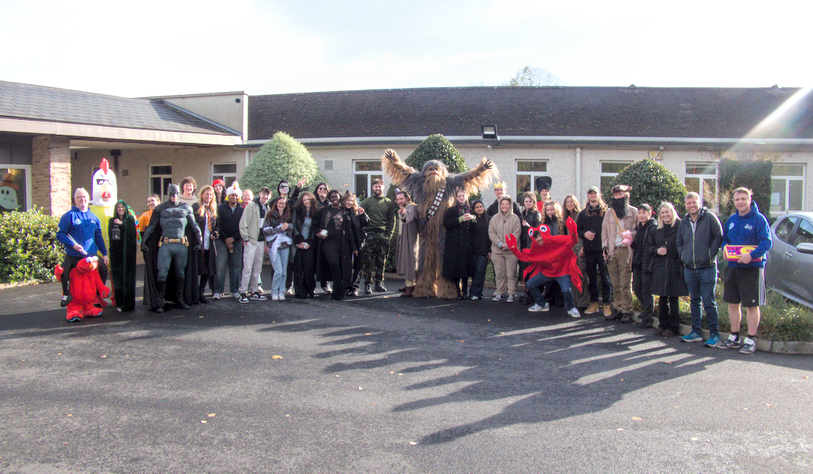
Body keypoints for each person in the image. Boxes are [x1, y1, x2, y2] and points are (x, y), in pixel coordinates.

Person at [717, 187, 772, 354]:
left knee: (751, 305)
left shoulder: (759, 219)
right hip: (733, 267)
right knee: (733, 303)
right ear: (734, 202)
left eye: (743, 199)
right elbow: (725, 239)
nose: (740, 202)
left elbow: (767, 242)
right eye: (737, 200)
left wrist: (752, 255)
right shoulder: (732, 219)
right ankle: (734, 337)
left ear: (749, 200)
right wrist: (725, 249)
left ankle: (750, 339)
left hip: (752, 268)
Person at [141, 184, 201, 312]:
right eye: (171, 194)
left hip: (181, 244)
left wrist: (199, 238)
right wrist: (144, 241)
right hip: (166, 245)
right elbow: (151, 226)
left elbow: (194, 225)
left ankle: (180, 299)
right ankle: (160, 301)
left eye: (176, 194)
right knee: (162, 272)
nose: (174, 196)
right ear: (168, 194)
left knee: (181, 272)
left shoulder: (186, 207)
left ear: (179, 193)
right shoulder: (160, 209)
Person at [677, 192, 724, 346]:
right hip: (690, 268)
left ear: (699, 202)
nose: (691, 205)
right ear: (685, 205)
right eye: (688, 203)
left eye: (694, 202)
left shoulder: (709, 218)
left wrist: (710, 255)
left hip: (707, 268)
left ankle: (714, 334)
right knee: (694, 301)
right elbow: (679, 242)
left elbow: (719, 236)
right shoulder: (684, 221)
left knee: (709, 301)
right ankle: (696, 331)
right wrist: (683, 256)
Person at [57, 188, 109, 307]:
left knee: (104, 270)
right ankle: (66, 295)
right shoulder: (69, 216)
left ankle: (97, 297)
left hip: (91, 256)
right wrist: (73, 245)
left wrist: (104, 253)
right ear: (75, 200)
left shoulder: (93, 217)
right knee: (63, 273)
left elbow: (98, 237)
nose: (82, 199)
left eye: (84, 197)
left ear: (88, 199)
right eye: (79, 197)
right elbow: (60, 234)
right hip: (74, 255)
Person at [644, 202, 688, 336]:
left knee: (674, 298)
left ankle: (673, 326)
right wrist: (657, 251)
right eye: (662, 213)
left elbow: (685, 244)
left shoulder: (681, 226)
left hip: (675, 266)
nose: (665, 215)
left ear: (672, 212)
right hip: (661, 266)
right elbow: (649, 247)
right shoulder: (656, 229)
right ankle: (662, 324)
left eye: (667, 212)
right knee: (662, 297)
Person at [525, 230, 581, 318]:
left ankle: (571, 307)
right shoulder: (537, 248)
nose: (539, 239)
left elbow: (571, 240)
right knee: (530, 284)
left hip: (562, 272)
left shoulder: (554, 240)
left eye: (540, 236)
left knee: (566, 290)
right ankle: (541, 304)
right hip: (548, 273)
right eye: (536, 237)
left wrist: (573, 230)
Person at [602, 184, 638, 323]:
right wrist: (604, 247)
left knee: (625, 282)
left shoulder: (633, 212)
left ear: (626, 195)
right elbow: (604, 231)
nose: (618, 197)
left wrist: (630, 234)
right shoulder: (609, 212)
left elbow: (639, 230)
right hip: (612, 251)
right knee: (615, 283)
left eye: (620, 194)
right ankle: (617, 308)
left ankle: (627, 310)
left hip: (625, 251)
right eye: (616, 195)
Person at [576, 187, 611, 316]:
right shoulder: (583, 213)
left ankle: (607, 303)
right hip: (589, 250)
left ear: (599, 195)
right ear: (588, 196)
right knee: (592, 279)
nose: (592, 195)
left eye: (594, 193)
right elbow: (578, 230)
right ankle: (594, 303)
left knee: (605, 278)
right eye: (590, 193)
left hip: (603, 250)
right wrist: (585, 234)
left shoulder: (606, 212)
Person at [317, 190, 356, 300]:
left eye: (336, 196)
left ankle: (338, 291)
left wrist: (353, 247)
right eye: (332, 197)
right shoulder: (324, 211)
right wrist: (318, 233)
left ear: (340, 198)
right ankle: (339, 288)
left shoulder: (345, 211)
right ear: (329, 198)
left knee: (340, 266)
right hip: (327, 241)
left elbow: (351, 229)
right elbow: (316, 224)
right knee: (333, 263)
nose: (334, 198)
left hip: (341, 242)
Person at [359, 178, 397, 294]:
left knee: (381, 260)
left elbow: (392, 219)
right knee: (368, 261)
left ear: (383, 187)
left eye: (380, 186)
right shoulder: (367, 201)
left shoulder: (388, 202)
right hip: (369, 234)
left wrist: (389, 234)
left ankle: (379, 283)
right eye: (375, 186)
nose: (378, 188)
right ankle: (367, 284)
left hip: (383, 235)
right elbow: (359, 216)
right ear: (372, 188)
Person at [237, 187, 270, 304]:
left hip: (261, 241)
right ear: (260, 194)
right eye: (263, 194)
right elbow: (243, 223)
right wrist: (246, 238)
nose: (265, 197)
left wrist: (266, 243)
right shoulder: (251, 206)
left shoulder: (266, 208)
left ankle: (254, 290)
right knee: (247, 268)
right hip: (251, 241)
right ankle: (242, 292)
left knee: (257, 268)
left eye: (267, 195)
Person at [442, 189, 475, 299]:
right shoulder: (451, 210)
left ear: (466, 197)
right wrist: (460, 219)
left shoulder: (470, 210)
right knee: (455, 269)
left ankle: (465, 292)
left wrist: (473, 218)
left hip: (466, 243)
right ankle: (457, 291)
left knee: (465, 269)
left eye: (463, 196)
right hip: (454, 244)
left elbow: (476, 226)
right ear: (456, 198)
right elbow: (447, 224)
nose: (461, 198)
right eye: (459, 196)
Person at [489, 195, 521, 302]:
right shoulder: (494, 218)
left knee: (511, 274)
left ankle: (512, 293)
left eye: (507, 204)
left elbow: (516, 233)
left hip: (511, 252)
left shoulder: (515, 218)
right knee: (499, 274)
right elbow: (491, 232)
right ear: (500, 205)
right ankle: (499, 292)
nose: (505, 206)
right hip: (497, 251)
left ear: (510, 205)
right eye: (503, 204)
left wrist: (507, 245)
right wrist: (499, 243)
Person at [214, 183, 243, 300]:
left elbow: (243, 227)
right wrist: (225, 238)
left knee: (236, 266)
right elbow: (218, 225)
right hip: (221, 240)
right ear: (227, 196)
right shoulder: (220, 209)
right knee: (220, 267)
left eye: (236, 195)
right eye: (231, 195)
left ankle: (235, 290)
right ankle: (218, 291)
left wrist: (234, 238)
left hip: (236, 241)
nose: (234, 197)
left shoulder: (241, 210)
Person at [108, 199, 137, 312]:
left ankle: (128, 304)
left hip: (128, 254)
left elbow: (132, 234)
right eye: (118, 207)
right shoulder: (112, 220)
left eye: (122, 207)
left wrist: (122, 225)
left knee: (128, 278)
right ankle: (119, 303)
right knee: (118, 279)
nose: (120, 209)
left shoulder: (129, 219)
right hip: (116, 253)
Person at [630, 204, 657, 329]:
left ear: (650, 214)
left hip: (647, 264)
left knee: (647, 291)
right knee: (636, 288)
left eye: (644, 213)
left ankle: (648, 317)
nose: (641, 215)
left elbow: (652, 246)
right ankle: (646, 310)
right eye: (639, 213)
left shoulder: (653, 227)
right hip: (638, 263)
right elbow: (639, 245)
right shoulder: (640, 227)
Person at [263, 196, 294, 301]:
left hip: (285, 245)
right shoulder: (270, 215)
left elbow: (292, 230)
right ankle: (274, 291)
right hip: (274, 246)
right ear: (276, 204)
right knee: (278, 271)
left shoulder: (288, 216)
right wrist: (279, 229)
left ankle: (281, 291)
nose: (281, 205)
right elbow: (266, 230)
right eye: (280, 203)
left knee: (284, 272)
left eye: (283, 204)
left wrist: (288, 227)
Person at [193, 185, 218, 304]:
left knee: (207, 270)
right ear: (202, 195)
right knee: (197, 268)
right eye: (207, 194)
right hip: (198, 244)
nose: (209, 196)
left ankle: (200, 292)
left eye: (211, 194)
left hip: (209, 243)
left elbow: (216, 225)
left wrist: (216, 232)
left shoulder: (212, 209)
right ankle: (193, 293)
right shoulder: (196, 208)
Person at [564, 194, 590, 309]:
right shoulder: (566, 217)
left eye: (571, 202)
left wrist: (584, 248)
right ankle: (575, 300)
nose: (569, 204)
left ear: (575, 203)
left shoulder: (580, 215)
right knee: (573, 275)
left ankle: (584, 301)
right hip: (571, 250)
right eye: (567, 202)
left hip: (580, 248)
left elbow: (584, 232)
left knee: (582, 275)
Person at [291, 191, 319, 298]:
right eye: (304, 200)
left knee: (309, 268)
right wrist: (299, 241)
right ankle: (299, 291)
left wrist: (309, 242)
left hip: (310, 243)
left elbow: (315, 229)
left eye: (308, 200)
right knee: (298, 268)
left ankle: (310, 290)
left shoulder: (316, 212)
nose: (306, 202)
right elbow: (293, 226)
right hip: (299, 242)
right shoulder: (297, 211)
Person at [344, 192, 369, 296]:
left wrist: (363, 214)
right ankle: (346, 286)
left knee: (358, 266)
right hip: (346, 242)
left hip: (358, 241)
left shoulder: (356, 212)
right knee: (347, 266)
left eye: (352, 200)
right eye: (348, 200)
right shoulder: (341, 212)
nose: (349, 202)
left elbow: (366, 222)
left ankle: (355, 287)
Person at [395, 190, 420, 298]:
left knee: (410, 261)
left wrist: (404, 213)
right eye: (398, 199)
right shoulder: (405, 207)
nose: (400, 201)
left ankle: (411, 287)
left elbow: (409, 214)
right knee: (405, 260)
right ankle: (408, 284)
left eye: (401, 199)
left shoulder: (411, 207)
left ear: (407, 198)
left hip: (411, 239)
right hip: (404, 238)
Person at [469, 200, 491, 301]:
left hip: (484, 250)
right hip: (473, 250)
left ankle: (475, 293)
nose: (479, 209)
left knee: (480, 271)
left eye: (481, 206)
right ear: (474, 209)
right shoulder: (472, 220)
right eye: (477, 207)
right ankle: (477, 292)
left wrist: (490, 250)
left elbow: (490, 236)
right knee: (474, 272)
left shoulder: (488, 219)